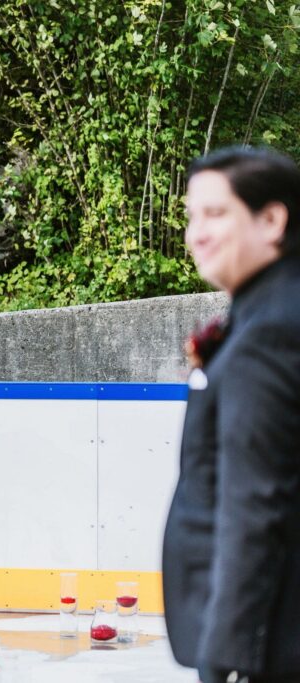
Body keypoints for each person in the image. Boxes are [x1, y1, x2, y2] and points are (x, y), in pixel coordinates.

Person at [163, 147, 300, 683]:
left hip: (269, 643)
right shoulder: (270, 312)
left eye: (216, 214)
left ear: (272, 220)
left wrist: (228, 660)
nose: (197, 233)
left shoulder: (270, 332)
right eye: (192, 216)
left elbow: (255, 502)